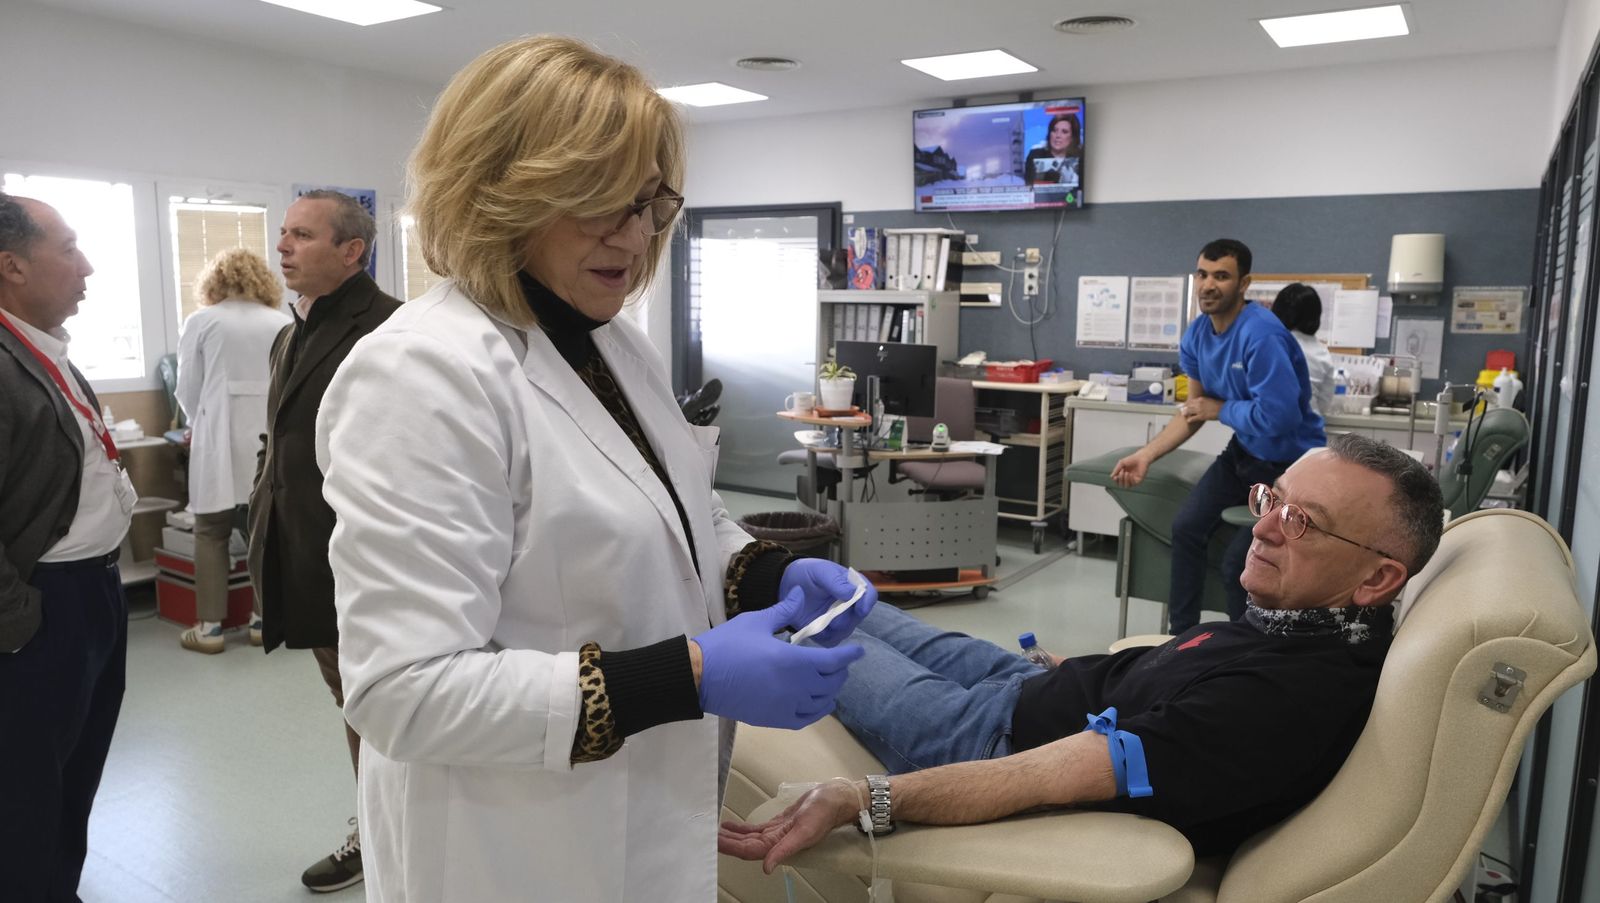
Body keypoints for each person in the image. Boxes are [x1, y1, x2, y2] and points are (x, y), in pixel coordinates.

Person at [312, 35, 876, 902]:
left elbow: (678, 515)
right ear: (500, 192)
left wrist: (766, 573)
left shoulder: (612, 343)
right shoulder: (420, 373)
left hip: (638, 819)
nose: (636, 235)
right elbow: (403, 690)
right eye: (600, 203)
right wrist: (689, 674)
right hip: (508, 851)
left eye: (649, 202)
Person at [721, 435, 1444, 871]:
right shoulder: (1310, 620)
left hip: (983, 736)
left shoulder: (1280, 704)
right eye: (1273, 500)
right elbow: (1178, 676)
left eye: (1303, 521)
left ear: (1378, 578)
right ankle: (723, 555)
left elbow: (1047, 774)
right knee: (835, 596)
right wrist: (1069, 670)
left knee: (801, 632)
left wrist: (861, 796)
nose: (1264, 527)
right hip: (1026, 685)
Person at [245, 189, 402, 892]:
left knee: (385, 702)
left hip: (369, 563)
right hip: (308, 556)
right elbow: (281, 440)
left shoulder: (391, 329)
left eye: (303, 235)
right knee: (353, 698)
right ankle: (378, 827)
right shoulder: (292, 332)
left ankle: (389, 838)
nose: (283, 246)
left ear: (352, 251)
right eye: (284, 232)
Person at [0, 193, 134, 901]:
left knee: (75, 773)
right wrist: (18, 623)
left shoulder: (44, 348)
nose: (86, 267)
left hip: (93, 592)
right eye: (69, 248)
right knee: (26, 788)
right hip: (43, 606)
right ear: (12, 265)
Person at [1111, 239, 1324, 633]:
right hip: (1243, 454)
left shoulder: (1262, 335)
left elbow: (1280, 418)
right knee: (1186, 527)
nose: (1208, 285)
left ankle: (1240, 649)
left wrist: (1220, 409)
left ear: (1243, 284)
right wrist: (1146, 455)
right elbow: (1194, 410)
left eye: (1221, 276)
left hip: (1290, 466)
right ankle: (1181, 637)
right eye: (1202, 275)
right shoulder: (1196, 335)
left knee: (1238, 564)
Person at [174, 248, 290, 654]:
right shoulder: (282, 322)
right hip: (268, 440)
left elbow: (187, 387)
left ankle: (209, 630)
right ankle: (262, 621)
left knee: (211, 531)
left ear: (215, 281)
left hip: (218, 439)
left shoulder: (203, 320)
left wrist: (196, 422)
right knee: (263, 532)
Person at [1272, 282, 1337, 416]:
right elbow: (1324, 403)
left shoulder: (1273, 346)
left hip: (1274, 423)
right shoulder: (1322, 353)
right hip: (1310, 424)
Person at [1023, 113, 1082, 187]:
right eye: (1054, 130)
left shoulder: (1079, 158)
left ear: (1072, 138)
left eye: (1064, 132)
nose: (1058, 135)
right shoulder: (1035, 155)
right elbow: (1029, 187)